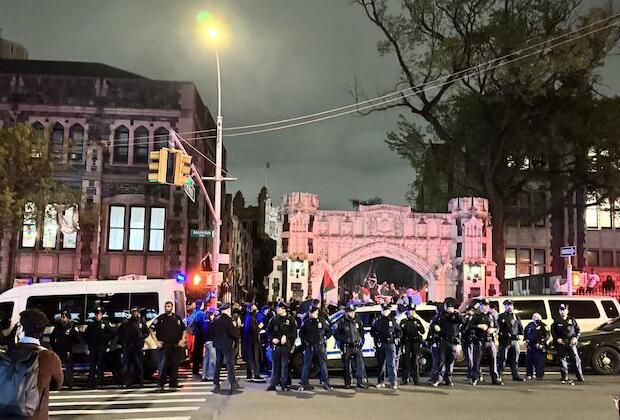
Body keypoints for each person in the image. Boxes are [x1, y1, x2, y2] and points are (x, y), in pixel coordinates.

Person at [0, 309, 63, 419]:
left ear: (21, 328)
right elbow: (57, 385)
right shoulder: (49, 357)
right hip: (35, 416)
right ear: (42, 331)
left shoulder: (5, 352)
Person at [150, 301, 186, 391]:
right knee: (163, 365)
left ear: (172, 307)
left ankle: (173, 383)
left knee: (175, 365)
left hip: (175, 345)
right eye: (166, 306)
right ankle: (160, 384)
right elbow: (151, 329)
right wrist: (156, 342)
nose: (167, 308)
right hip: (164, 345)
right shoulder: (161, 318)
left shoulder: (177, 318)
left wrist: (182, 339)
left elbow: (184, 329)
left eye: (169, 306)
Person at [468, 299, 502, 386]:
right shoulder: (476, 316)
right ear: (481, 306)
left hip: (490, 341)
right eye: (483, 305)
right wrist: (479, 326)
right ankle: (475, 378)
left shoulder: (492, 316)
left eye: (487, 305)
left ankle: (495, 378)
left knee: (493, 361)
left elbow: (497, 327)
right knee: (477, 361)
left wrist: (493, 329)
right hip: (479, 341)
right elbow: (470, 326)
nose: (485, 307)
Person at [298, 305, 332, 390]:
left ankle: (326, 383)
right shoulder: (307, 322)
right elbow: (301, 334)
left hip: (320, 346)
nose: (311, 314)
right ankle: (304, 383)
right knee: (306, 365)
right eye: (311, 312)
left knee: (323, 365)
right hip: (310, 346)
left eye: (313, 312)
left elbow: (329, 331)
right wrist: (305, 341)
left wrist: (325, 337)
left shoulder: (322, 321)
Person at [430, 298, 462, 387]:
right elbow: (433, 324)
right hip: (443, 340)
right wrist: (435, 326)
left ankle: (448, 379)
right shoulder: (441, 315)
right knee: (441, 360)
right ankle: (438, 378)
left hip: (452, 341)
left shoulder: (455, 316)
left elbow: (461, 320)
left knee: (450, 361)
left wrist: (455, 312)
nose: (448, 308)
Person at [334, 303, 368, 389]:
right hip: (347, 346)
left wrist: (361, 342)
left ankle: (360, 382)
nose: (351, 313)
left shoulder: (358, 321)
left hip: (357, 346)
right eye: (349, 312)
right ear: (346, 312)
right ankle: (347, 383)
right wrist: (344, 340)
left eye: (352, 312)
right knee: (347, 366)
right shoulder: (342, 322)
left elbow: (362, 332)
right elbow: (337, 334)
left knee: (359, 365)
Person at [266, 302, 297, 391]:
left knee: (284, 366)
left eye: (279, 308)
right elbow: (269, 331)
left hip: (285, 346)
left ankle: (284, 384)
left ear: (284, 309)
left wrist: (287, 338)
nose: (277, 310)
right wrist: (272, 339)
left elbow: (294, 333)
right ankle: (273, 384)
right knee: (275, 366)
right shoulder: (274, 319)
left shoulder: (290, 320)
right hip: (276, 346)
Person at [212, 303, 242, 394]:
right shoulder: (228, 320)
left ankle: (216, 382)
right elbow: (233, 332)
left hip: (218, 344)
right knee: (230, 364)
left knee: (218, 363)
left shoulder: (216, 319)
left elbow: (212, 331)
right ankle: (232, 383)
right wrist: (237, 337)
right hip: (227, 345)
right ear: (227, 310)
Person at [551, 303, 585, 384]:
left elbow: (578, 330)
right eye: (561, 310)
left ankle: (580, 376)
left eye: (564, 310)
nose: (563, 312)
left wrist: (575, 338)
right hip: (561, 343)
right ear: (559, 311)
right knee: (562, 360)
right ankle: (564, 376)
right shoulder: (556, 320)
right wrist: (557, 339)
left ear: (567, 310)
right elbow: (553, 332)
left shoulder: (572, 319)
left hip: (571, 343)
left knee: (575, 360)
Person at [371, 303, 401, 390]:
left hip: (390, 344)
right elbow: (372, 332)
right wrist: (376, 337)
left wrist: (396, 337)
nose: (385, 312)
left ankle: (393, 382)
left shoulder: (393, 321)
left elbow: (399, 331)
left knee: (391, 364)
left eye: (387, 310)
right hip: (380, 344)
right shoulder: (377, 321)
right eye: (384, 310)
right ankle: (381, 381)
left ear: (389, 311)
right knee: (381, 364)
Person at [118, 306, 150, 388]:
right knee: (127, 366)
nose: (134, 313)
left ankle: (141, 382)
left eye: (136, 311)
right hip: (128, 346)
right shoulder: (126, 322)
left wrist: (141, 337)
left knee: (139, 365)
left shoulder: (141, 321)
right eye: (133, 311)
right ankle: (126, 382)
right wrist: (123, 341)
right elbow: (120, 332)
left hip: (138, 346)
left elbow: (147, 332)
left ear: (138, 312)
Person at [84, 306, 114, 389]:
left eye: (100, 314)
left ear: (102, 315)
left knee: (100, 366)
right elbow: (86, 335)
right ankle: (91, 383)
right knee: (92, 366)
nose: (98, 316)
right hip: (93, 348)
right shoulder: (91, 324)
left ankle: (100, 382)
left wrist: (106, 339)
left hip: (102, 347)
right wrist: (89, 343)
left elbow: (113, 333)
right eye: (97, 314)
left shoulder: (106, 323)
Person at [49, 310, 78, 390]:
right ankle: (58, 383)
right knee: (57, 367)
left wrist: (72, 346)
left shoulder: (72, 327)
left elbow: (77, 339)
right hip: (58, 349)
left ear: (68, 318)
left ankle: (69, 383)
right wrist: (54, 347)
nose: (62, 319)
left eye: (64, 317)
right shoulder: (57, 327)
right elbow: (52, 338)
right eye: (62, 317)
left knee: (69, 368)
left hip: (68, 350)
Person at [497, 299, 525, 382]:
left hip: (514, 340)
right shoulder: (501, 316)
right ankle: (499, 375)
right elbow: (498, 328)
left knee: (515, 359)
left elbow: (520, 328)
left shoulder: (516, 316)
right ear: (504, 306)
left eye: (510, 305)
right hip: (505, 340)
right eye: (507, 305)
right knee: (503, 359)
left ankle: (515, 375)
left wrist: (520, 335)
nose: (509, 307)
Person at [399, 305, 425, 385]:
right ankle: (405, 378)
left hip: (415, 343)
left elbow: (422, 331)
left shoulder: (417, 321)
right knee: (406, 361)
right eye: (410, 311)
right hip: (406, 342)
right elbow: (400, 333)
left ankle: (416, 379)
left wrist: (418, 325)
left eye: (413, 311)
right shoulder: (403, 321)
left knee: (415, 361)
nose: (412, 312)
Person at [242, 303, 264, 382]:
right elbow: (253, 330)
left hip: (249, 341)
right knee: (255, 358)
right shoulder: (251, 318)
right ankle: (256, 374)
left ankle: (250, 374)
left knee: (251, 358)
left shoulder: (248, 317)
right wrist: (259, 327)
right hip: (253, 341)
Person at [524, 312, 548, 380]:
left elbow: (547, 336)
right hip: (531, 346)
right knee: (529, 361)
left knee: (539, 361)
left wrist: (541, 343)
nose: (537, 319)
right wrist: (525, 340)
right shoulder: (529, 325)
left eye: (538, 318)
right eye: (535, 318)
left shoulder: (544, 326)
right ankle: (529, 374)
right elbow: (525, 333)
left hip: (539, 346)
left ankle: (539, 375)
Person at [186, 300, 206, 377]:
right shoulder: (201, 314)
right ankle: (197, 369)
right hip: (200, 335)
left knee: (196, 352)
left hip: (194, 334)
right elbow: (202, 325)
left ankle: (195, 369)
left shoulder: (193, 313)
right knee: (199, 352)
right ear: (201, 305)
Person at [201, 307, 218, 383]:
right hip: (211, 342)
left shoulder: (205, 322)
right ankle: (211, 376)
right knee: (212, 359)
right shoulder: (210, 323)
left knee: (206, 359)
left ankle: (204, 375)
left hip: (207, 342)